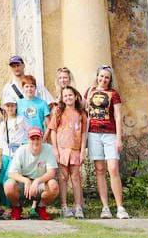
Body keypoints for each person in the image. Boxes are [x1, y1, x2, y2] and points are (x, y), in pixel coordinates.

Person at [86, 65, 128, 219]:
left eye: (107, 77)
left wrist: (119, 138)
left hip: (110, 134)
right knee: (99, 170)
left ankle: (120, 207)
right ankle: (105, 207)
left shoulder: (113, 94)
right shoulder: (89, 92)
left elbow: (118, 116)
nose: (103, 79)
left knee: (113, 168)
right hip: (93, 134)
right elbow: (83, 110)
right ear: (97, 76)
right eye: (101, 76)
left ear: (110, 80)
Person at [3, 126, 60, 221]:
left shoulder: (48, 149)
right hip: (24, 183)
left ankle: (41, 207)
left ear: (42, 139)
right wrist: (26, 181)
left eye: (38, 138)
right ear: (28, 140)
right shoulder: (21, 150)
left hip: (40, 182)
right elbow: (11, 173)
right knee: (8, 185)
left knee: (53, 185)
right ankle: (17, 207)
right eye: (32, 139)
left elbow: (51, 172)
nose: (35, 141)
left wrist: (37, 181)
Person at [52, 85, 86, 218]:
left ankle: (78, 206)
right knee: (63, 178)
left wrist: (82, 151)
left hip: (75, 150)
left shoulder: (81, 113)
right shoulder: (58, 112)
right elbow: (53, 130)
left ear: (75, 96)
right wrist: (55, 149)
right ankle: (64, 206)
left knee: (76, 177)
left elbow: (83, 133)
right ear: (62, 98)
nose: (68, 97)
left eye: (70, 95)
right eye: (65, 96)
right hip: (62, 149)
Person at [0, 94, 27, 204]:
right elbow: (1, 141)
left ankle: (11, 203)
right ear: (4, 107)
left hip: (16, 154)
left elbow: (27, 135)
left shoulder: (21, 120)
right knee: (1, 179)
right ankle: (3, 201)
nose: (10, 108)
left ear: (16, 106)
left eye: (12, 106)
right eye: (8, 106)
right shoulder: (3, 123)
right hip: (5, 154)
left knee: (9, 178)